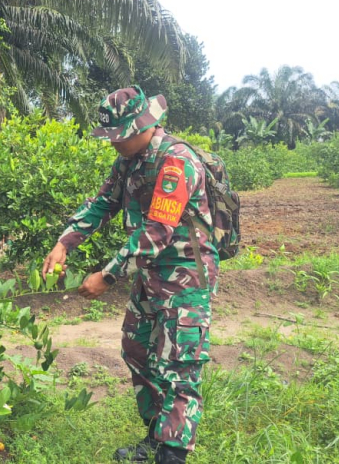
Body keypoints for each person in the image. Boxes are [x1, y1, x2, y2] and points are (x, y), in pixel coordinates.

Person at [42, 86, 218, 464]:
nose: (113, 144)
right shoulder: (129, 161)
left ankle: (172, 452)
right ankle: (157, 434)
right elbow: (103, 202)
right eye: (110, 137)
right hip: (151, 274)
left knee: (179, 363)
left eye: (119, 136)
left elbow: (157, 230)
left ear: (146, 124)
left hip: (186, 276)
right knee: (136, 347)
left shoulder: (176, 161)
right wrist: (64, 242)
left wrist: (107, 275)